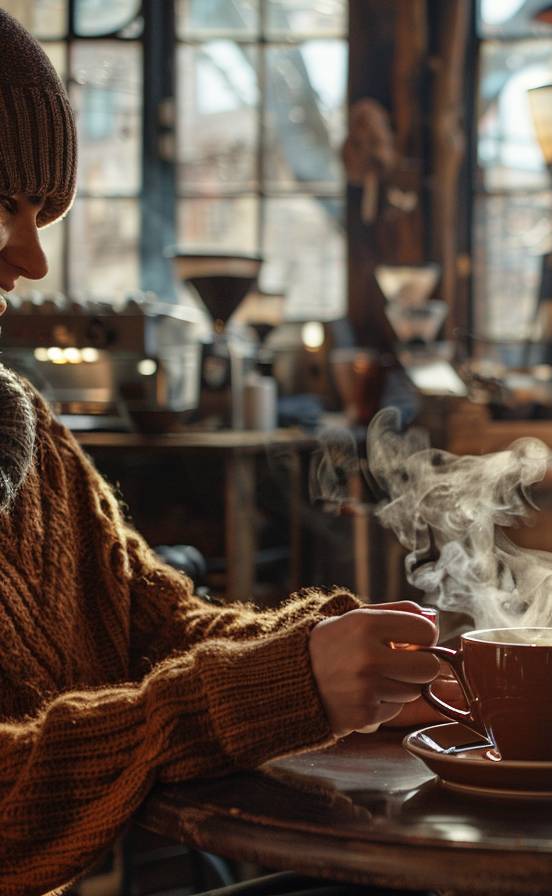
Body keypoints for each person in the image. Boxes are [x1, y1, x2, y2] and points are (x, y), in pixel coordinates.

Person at [0, 10, 444, 892]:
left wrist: (334, 656)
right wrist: (279, 690)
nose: (33, 258)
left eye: (41, 212)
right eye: (2, 206)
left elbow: (159, 629)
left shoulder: (24, 433)